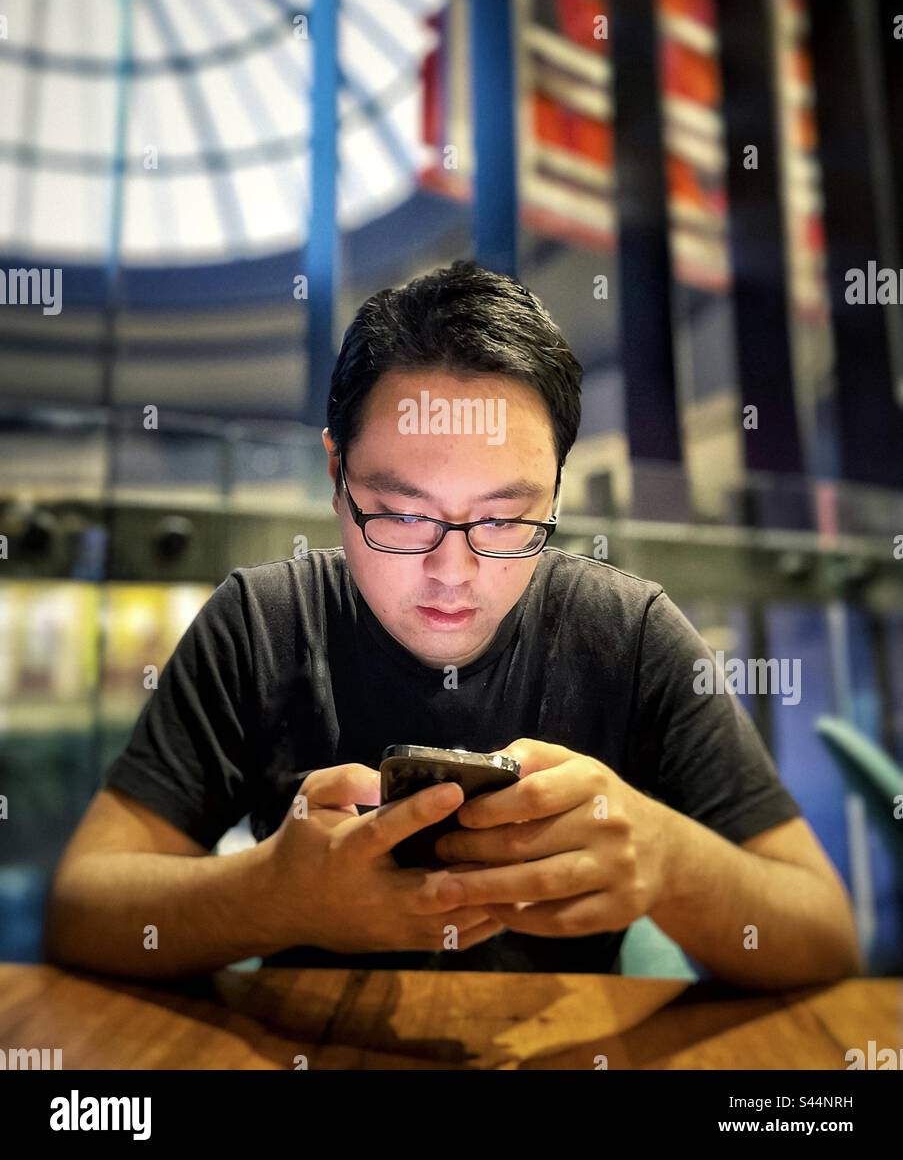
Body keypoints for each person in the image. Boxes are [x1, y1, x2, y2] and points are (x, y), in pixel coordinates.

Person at [43, 261, 862, 986]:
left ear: (556, 496)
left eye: (506, 521)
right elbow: (84, 909)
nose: (452, 572)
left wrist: (669, 862)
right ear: (336, 476)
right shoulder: (264, 623)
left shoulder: (629, 633)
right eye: (401, 515)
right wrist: (271, 899)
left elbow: (821, 937)